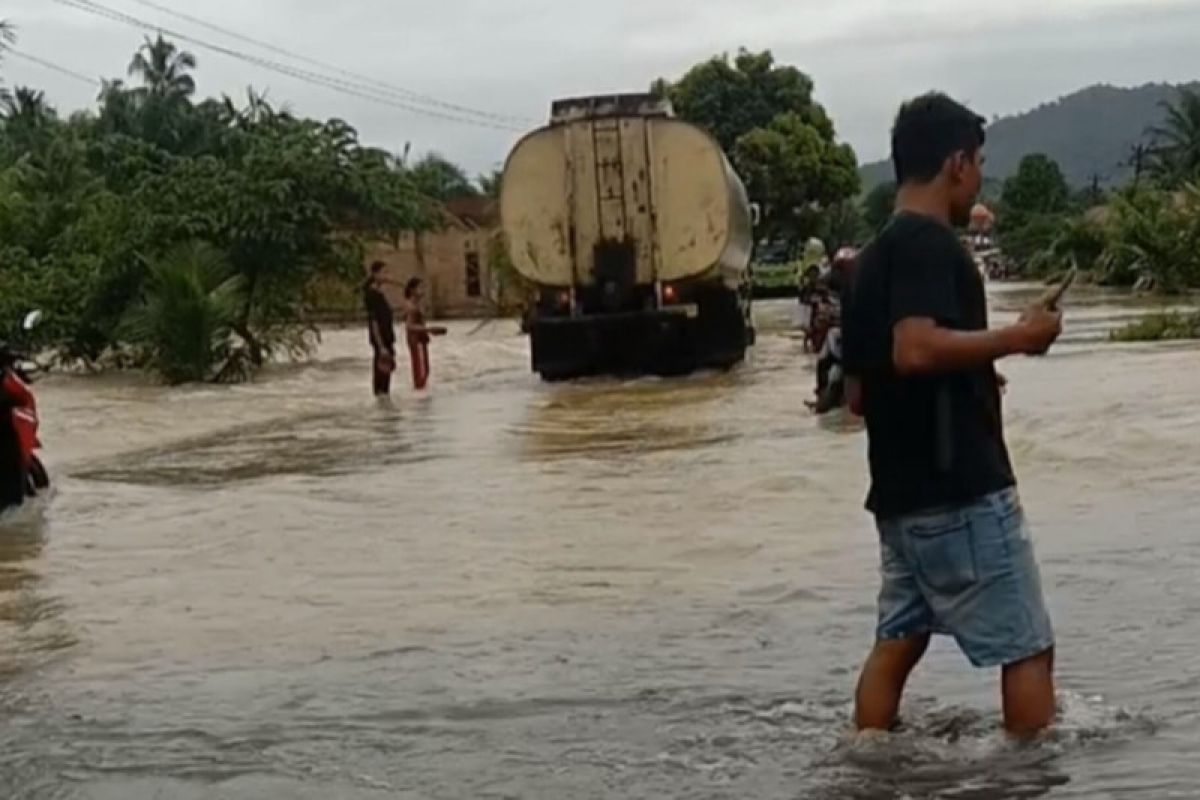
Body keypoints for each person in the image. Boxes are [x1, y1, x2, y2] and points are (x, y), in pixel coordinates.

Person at [841, 93, 1064, 738]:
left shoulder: (867, 261)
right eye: (979, 163)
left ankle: (870, 767)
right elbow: (915, 348)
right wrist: (1018, 338)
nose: (980, 178)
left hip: (899, 497)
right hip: (961, 489)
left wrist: (968, 368)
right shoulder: (931, 245)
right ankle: (1030, 778)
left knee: (899, 642)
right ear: (956, 162)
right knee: (1027, 647)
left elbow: (861, 394)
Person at [402, 278, 447, 391]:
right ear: (412, 290)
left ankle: (422, 396)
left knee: (425, 370)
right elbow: (409, 326)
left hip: (421, 340)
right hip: (416, 341)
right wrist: (429, 329)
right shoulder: (411, 306)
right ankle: (420, 396)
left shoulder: (417, 304)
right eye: (420, 288)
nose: (423, 291)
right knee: (420, 372)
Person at [363, 261, 397, 396]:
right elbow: (374, 322)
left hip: (387, 340)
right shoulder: (371, 295)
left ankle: (384, 409)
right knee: (381, 379)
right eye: (384, 272)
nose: (387, 275)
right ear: (375, 274)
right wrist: (381, 345)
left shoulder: (380, 294)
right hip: (381, 342)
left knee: (386, 379)